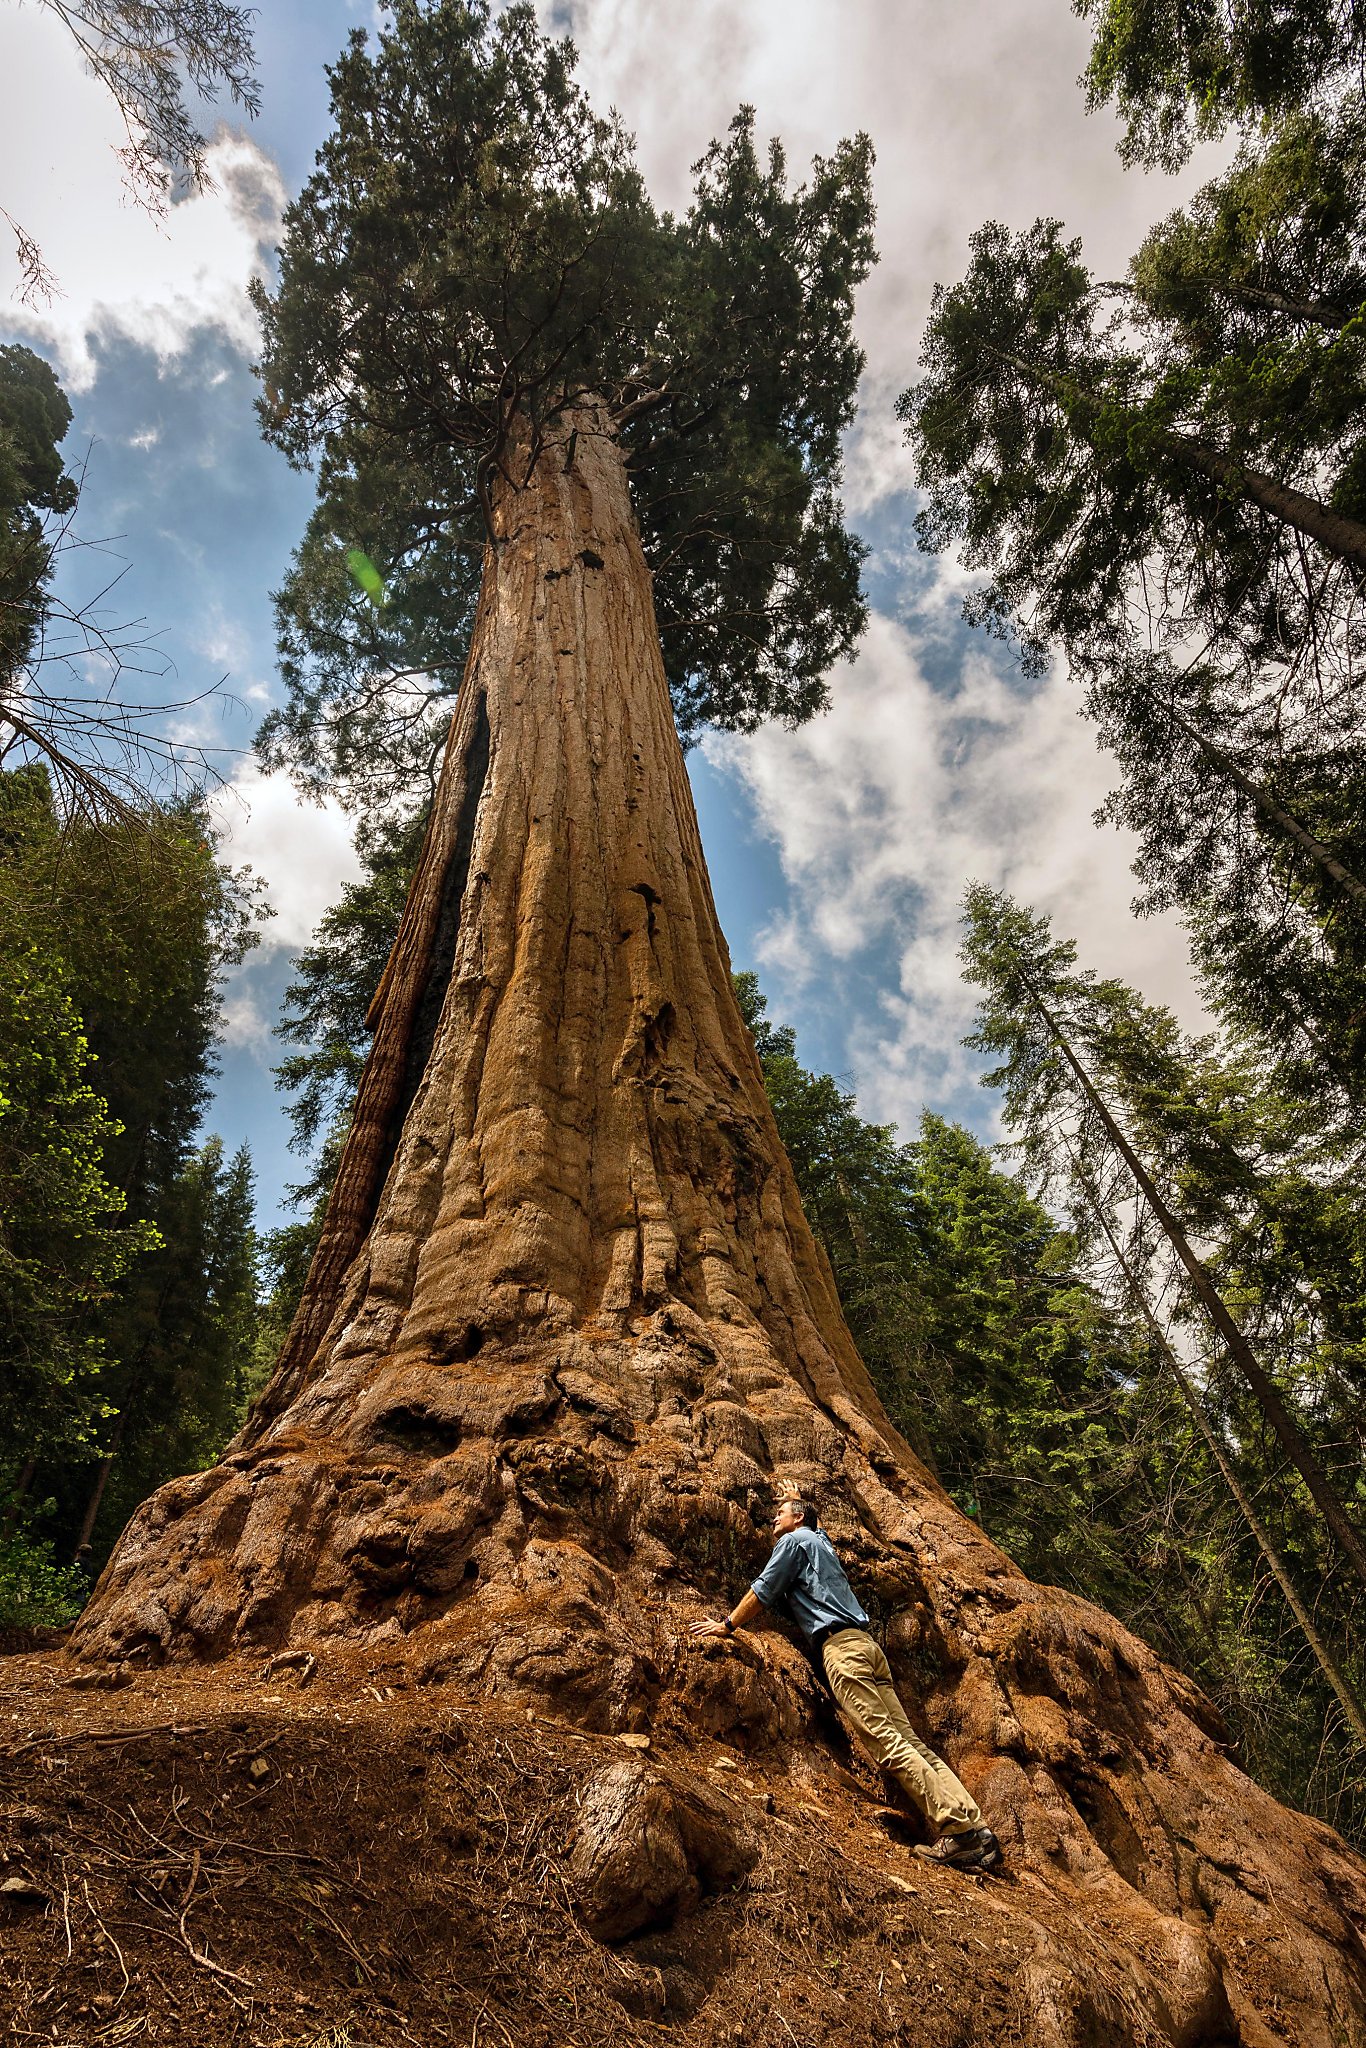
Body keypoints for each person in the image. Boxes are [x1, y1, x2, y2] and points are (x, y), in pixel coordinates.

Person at [689, 1497, 1002, 1872]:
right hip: (867, 1647)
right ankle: (976, 1828)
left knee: (888, 1744)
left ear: (799, 1518)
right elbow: (817, 1528)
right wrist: (796, 1494)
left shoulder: (791, 1542)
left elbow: (765, 1589)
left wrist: (727, 1625)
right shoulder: (821, 1543)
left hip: (842, 1650)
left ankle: (961, 1834)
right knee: (910, 1741)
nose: (774, 1517)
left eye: (781, 1511)